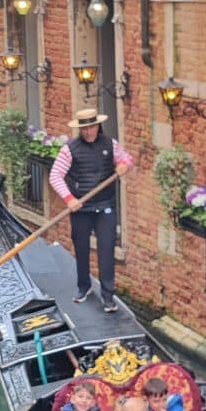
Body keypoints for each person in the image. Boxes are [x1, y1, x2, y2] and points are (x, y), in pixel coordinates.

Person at [48, 108, 134, 313]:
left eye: (91, 127)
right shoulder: (70, 149)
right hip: (81, 208)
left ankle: (108, 295)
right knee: (82, 248)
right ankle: (84, 287)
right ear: (80, 129)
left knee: (106, 248)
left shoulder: (110, 144)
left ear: (97, 126)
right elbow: (55, 176)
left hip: (106, 206)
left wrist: (123, 165)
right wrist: (69, 199)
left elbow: (127, 159)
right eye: (84, 128)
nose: (88, 132)